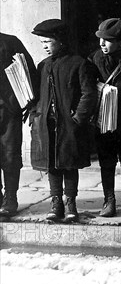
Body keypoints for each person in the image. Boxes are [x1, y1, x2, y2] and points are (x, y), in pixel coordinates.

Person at [30, 19, 97, 223]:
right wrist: (35, 114)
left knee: (69, 165)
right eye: (42, 43)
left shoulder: (78, 63)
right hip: (46, 124)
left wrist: (78, 119)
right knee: (52, 165)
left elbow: (88, 93)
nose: (44, 47)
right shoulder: (43, 66)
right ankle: (56, 202)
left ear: (60, 41)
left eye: (47, 42)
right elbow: (35, 95)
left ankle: (71, 203)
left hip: (68, 125)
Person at [88, 18, 121, 218]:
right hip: (104, 119)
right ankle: (108, 200)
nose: (102, 44)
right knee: (106, 160)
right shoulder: (94, 59)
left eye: (108, 40)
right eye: (100, 39)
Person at [0, 32, 37, 218]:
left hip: (7, 109)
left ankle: (10, 198)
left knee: (10, 152)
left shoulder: (9, 42)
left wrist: (24, 102)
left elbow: (28, 70)